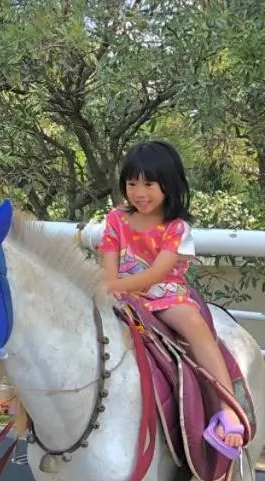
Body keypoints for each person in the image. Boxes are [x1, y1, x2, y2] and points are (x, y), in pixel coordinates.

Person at [99, 138, 244, 454]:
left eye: (149, 184)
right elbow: (108, 259)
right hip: (118, 292)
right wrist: (111, 286)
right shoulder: (115, 220)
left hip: (163, 294)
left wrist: (116, 286)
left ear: (169, 185)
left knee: (193, 324)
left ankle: (228, 406)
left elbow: (157, 273)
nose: (139, 192)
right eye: (132, 183)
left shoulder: (176, 228)